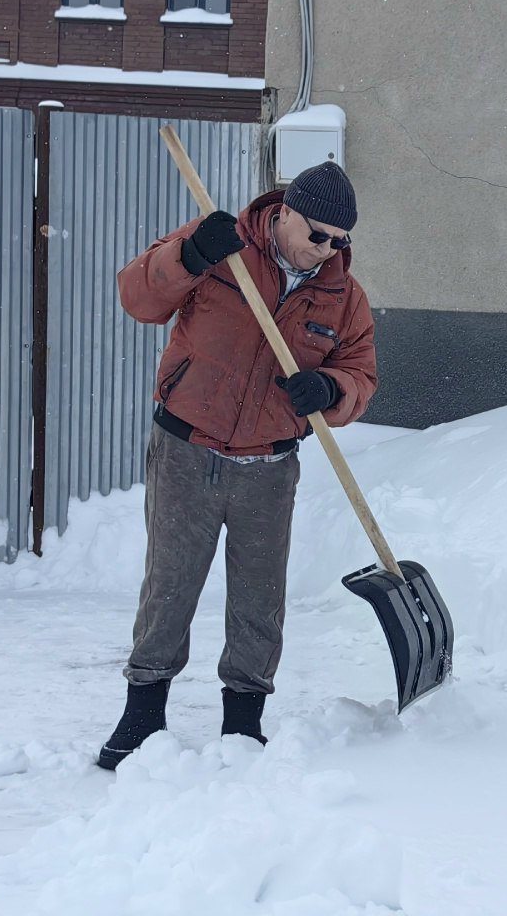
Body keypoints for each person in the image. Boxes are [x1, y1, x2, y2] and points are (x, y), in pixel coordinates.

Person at [98, 162, 377, 770]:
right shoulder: (219, 244)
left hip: (270, 464)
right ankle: (143, 713)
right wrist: (190, 255)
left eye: (339, 241)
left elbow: (361, 374)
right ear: (284, 213)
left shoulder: (342, 295)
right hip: (186, 447)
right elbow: (137, 296)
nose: (326, 249)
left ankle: (243, 726)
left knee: (259, 595)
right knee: (170, 583)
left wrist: (330, 389)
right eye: (317, 233)